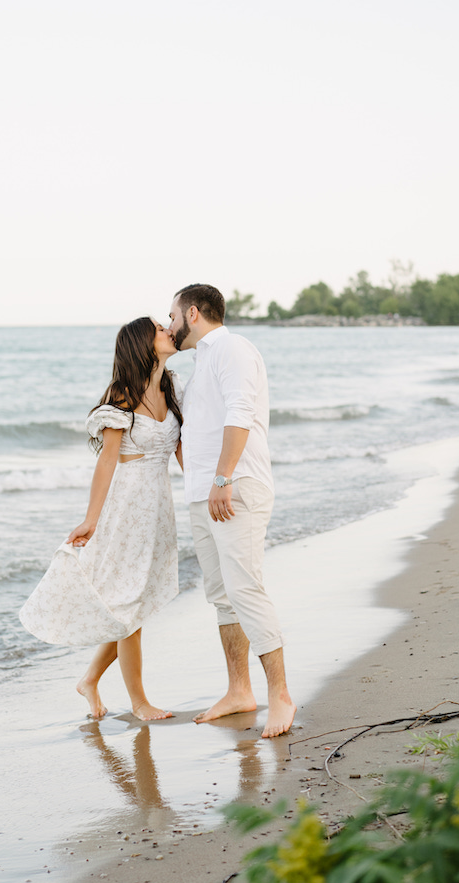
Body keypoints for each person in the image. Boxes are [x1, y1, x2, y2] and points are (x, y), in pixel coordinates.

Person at [19, 317, 182, 721]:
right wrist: (91, 520)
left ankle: (89, 680)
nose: (168, 330)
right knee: (128, 606)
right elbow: (107, 461)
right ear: (143, 344)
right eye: (159, 329)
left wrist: (209, 492)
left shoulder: (171, 386)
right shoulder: (122, 395)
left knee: (133, 606)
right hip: (125, 511)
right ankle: (139, 702)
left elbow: (183, 451)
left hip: (159, 510)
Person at [168, 284, 296, 738]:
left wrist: (223, 478)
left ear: (193, 314)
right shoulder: (201, 363)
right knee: (222, 596)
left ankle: (280, 695)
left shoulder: (232, 348)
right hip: (205, 494)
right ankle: (240, 690)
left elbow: (240, 412)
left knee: (245, 588)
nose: (170, 325)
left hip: (234, 487)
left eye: (173, 316)